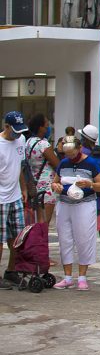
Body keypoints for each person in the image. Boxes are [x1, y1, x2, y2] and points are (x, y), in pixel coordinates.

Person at [50, 136, 100, 291]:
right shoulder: (63, 163)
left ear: (80, 148)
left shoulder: (91, 163)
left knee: (84, 238)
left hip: (84, 204)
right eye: (67, 154)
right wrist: (56, 186)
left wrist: (90, 184)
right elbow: (55, 181)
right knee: (65, 239)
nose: (70, 157)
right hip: (64, 203)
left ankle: (82, 277)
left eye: (72, 154)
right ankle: (67, 277)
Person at [0, 111, 29, 290]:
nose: (18, 134)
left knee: (17, 239)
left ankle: (11, 271)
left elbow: (19, 166)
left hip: (16, 196)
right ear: (6, 127)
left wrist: (24, 188)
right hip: (0, 199)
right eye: (15, 131)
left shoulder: (21, 140)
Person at [78, 124, 100, 265]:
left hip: (88, 193)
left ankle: (87, 253)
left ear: (85, 138)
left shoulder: (82, 152)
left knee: (86, 226)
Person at [24, 114, 60, 225]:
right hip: (46, 188)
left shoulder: (28, 142)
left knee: (36, 223)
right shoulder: (43, 144)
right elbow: (57, 164)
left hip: (34, 186)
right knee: (44, 224)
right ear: (40, 127)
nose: (48, 128)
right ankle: (41, 242)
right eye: (46, 126)